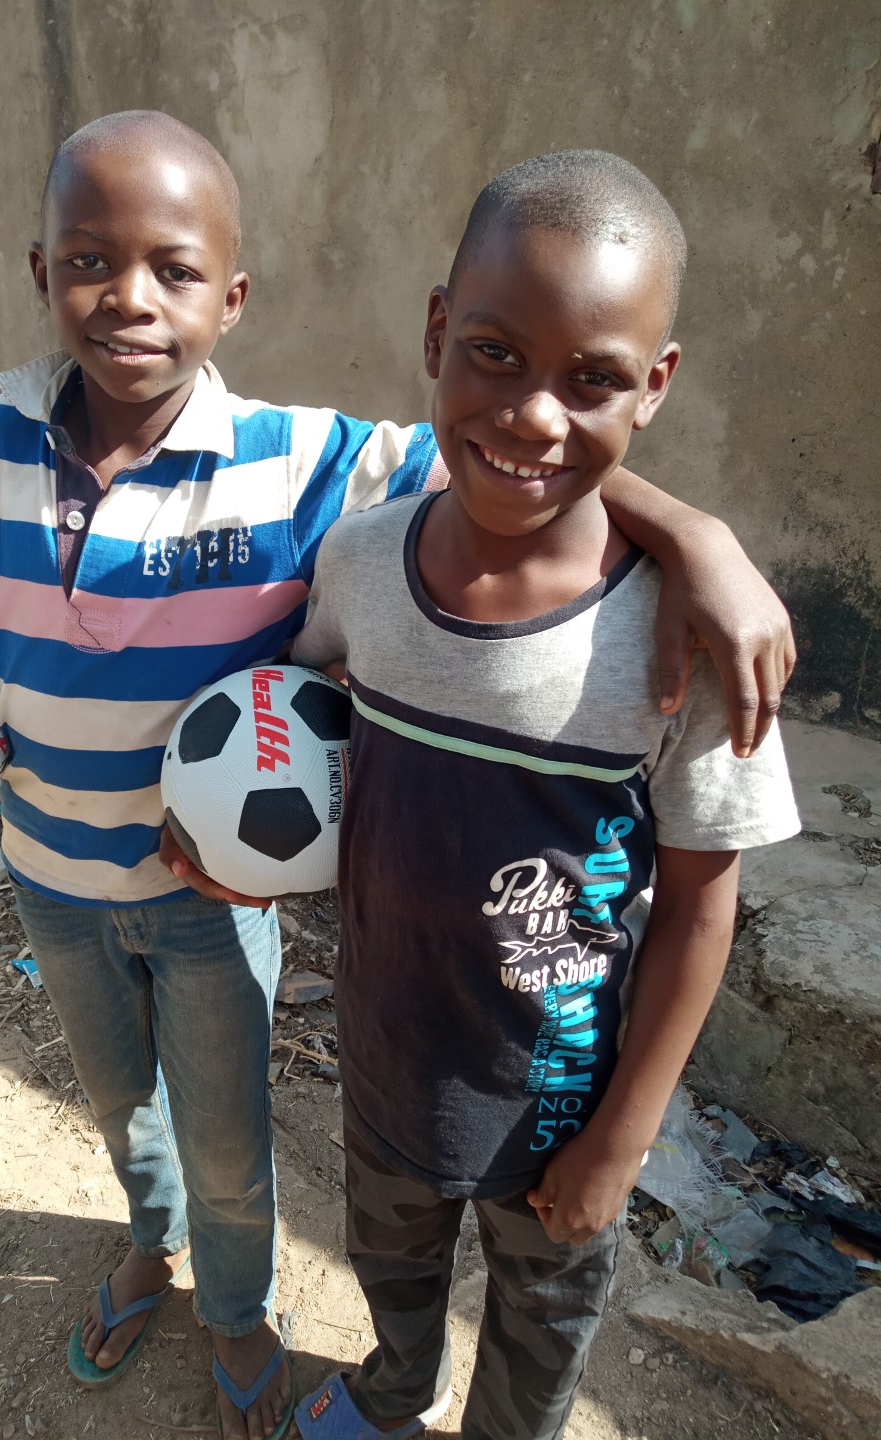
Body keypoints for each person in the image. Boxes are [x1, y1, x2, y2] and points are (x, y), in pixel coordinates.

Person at [0, 115, 792, 1440]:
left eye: (174, 269)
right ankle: (148, 1247)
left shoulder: (302, 460)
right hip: (48, 876)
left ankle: (239, 1307)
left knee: (228, 1138)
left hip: (213, 905)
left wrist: (698, 534)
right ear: (42, 273)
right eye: (90, 261)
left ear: (233, 296)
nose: (131, 298)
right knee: (120, 1109)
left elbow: (521, 455)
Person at [287, 151, 800, 1440]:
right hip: (388, 1062)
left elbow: (701, 910)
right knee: (390, 1270)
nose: (532, 417)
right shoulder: (362, 564)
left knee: (538, 1330)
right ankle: (392, 1391)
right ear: (435, 333)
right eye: (495, 354)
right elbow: (289, 720)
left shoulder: (682, 645)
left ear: (656, 385)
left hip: (559, 1107)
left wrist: (622, 1140)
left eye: (593, 380)